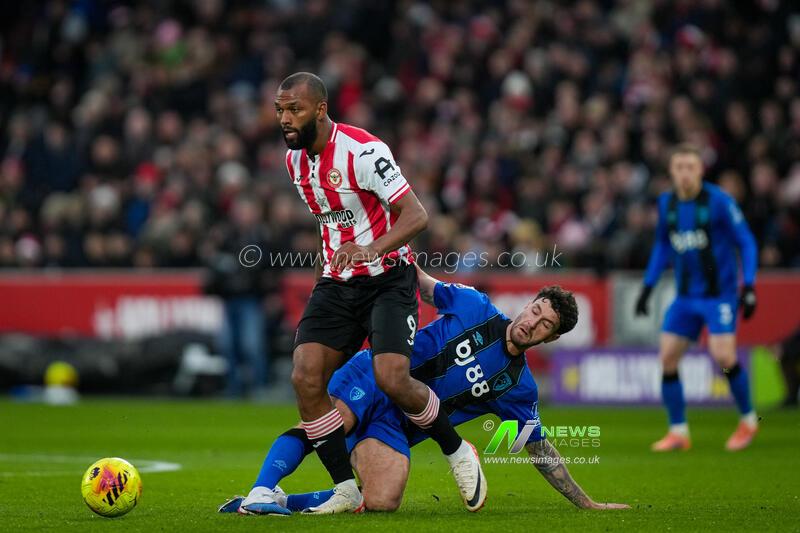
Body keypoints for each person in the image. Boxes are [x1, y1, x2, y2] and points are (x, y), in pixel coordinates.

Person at [218, 266, 629, 514]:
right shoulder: (476, 306)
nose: (532, 322)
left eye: (544, 325)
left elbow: (540, 449)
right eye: (535, 310)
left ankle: (284, 502)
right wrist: (385, 250)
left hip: (400, 424)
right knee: (336, 420)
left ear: (550, 338)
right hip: (379, 374)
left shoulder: (519, 389)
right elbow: (422, 282)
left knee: (383, 500)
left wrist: (585, 501)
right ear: (527, 303)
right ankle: (259, 491)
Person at [277, 72, 484, 513]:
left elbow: (417, 215)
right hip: (338, 283)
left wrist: (369, 249)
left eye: (293, 108)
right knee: (304, 375)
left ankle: (457, 450)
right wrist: (324, 279)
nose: (284, 118)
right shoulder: (295, 162)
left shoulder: (364, 151)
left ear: (320, 109)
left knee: (392, 378)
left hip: (389, 278)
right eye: (279, 109)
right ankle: (344, 487)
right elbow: (329, 224)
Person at [635, 144, 759, 451]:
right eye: (680, 167)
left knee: (725, 358)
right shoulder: (667, 204)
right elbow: (663, 245)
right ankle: (678, 431)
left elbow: (746, 241)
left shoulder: (718, 201)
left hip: (719, 296)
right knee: (667, 358)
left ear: (701, 170)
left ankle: (748, 420)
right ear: (672, 172)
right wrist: (648, 287)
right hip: (685, 297)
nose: (686, 173)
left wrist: (750, 285)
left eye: (691, 167)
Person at [204, 195, 282, 398]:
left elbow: (273, 268)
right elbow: (213, 261)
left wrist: (272, 293)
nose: (242, 216)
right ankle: (234, 388)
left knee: (252, 345)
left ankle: (259, 388)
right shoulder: (226, 236)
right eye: (240, 211)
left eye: (246, 211)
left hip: (251, 298)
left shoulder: (263, 237)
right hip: (229, 297)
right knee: (228, 346)